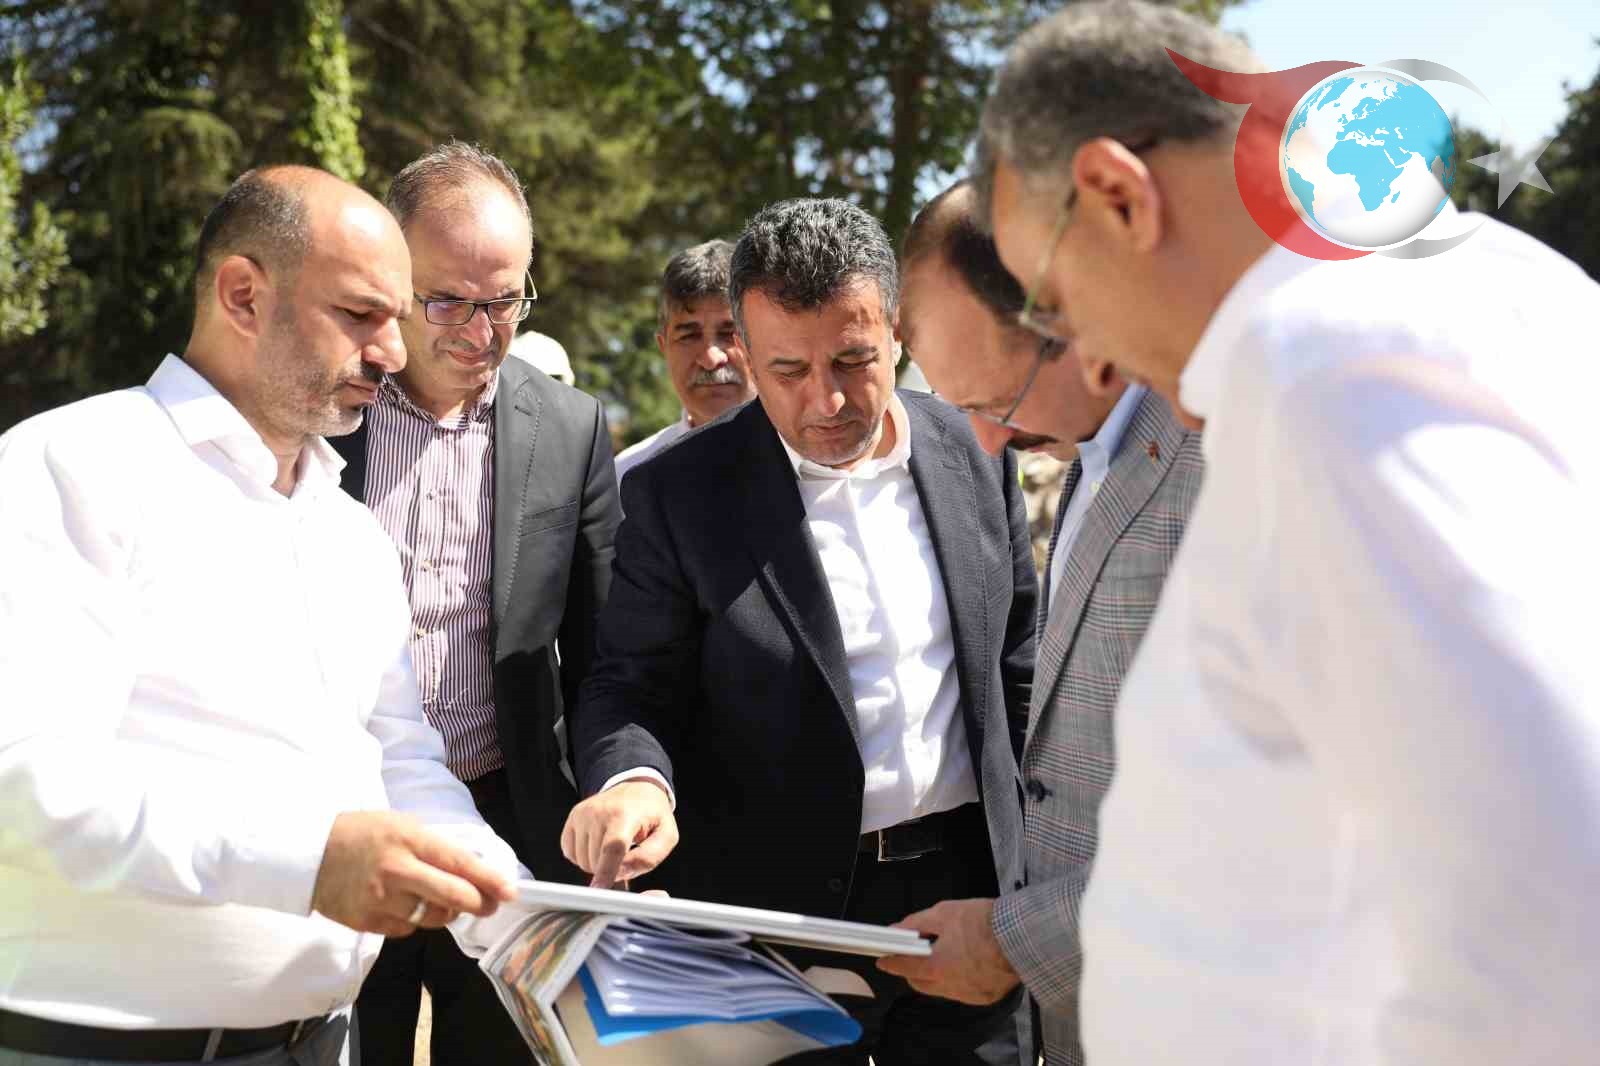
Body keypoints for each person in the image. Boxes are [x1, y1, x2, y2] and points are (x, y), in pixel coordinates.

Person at [978, 3, 1600, 1064]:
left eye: (1053, 305)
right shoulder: (1440, 299)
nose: (1089, 361)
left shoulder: (1334, 374)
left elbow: (1556, 906)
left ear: (1119, 195)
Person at [0, 166, 523, 1066]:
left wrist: (533, 913)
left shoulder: (351, 534)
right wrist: (309, 861)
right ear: (243, 295)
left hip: (322, 1044)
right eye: (361, 315)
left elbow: (402, 761)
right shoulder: (69, 466)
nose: (393, 352)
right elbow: (26, 774)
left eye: (397, 319)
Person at [563, 198, 1037, 1065]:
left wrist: (1040, 884)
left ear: (897, 330)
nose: (828, 399)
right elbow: (630, 685)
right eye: (788, 369)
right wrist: (635, 784)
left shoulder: (974, 446)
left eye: (854, 359)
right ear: (745, 355)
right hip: (774, 924)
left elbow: (1020, 662)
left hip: (969, 900)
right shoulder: (680, 494)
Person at [876, 180, 1202, 1066]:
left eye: (995, 402)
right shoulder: (1090, 446)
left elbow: (1268, 825)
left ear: (1077, 323)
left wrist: (1018, 941)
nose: (985, 444)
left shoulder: (1226, 463)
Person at [328, 141, 622, 1066]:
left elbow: (605, 657)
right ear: (393, 280)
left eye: (504, 301)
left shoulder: (570, 430)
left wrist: (614, 792)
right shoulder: (322, 409)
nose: (481, 331)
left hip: (508, 828)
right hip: (345, 821)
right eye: (448, 300)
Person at [612, 239, 756, 481]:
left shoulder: (815, 466)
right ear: (663, 346)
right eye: (689, 336)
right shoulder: (628, 476)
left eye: (729, 333)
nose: (711, 358)